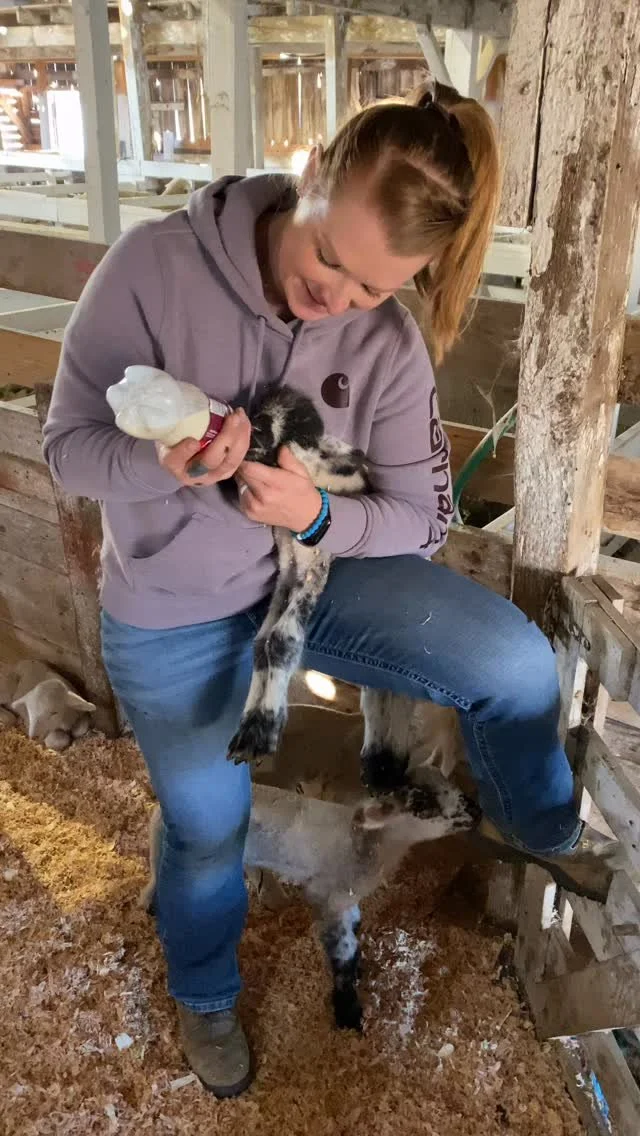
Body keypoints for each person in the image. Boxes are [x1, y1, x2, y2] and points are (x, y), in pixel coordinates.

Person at [42, 81, 615, 1099]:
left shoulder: (385, 342)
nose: (337, 299)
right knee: (207, 828)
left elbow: (422, 519)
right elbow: (67, 448)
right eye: (329, 261)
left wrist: (316, 515)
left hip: (320, 582)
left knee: (515, 665)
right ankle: (205, 990)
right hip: (176, 608)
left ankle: (547, 836)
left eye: (371, 288)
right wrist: (160, 465)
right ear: (308, 175)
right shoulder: (154, 268)